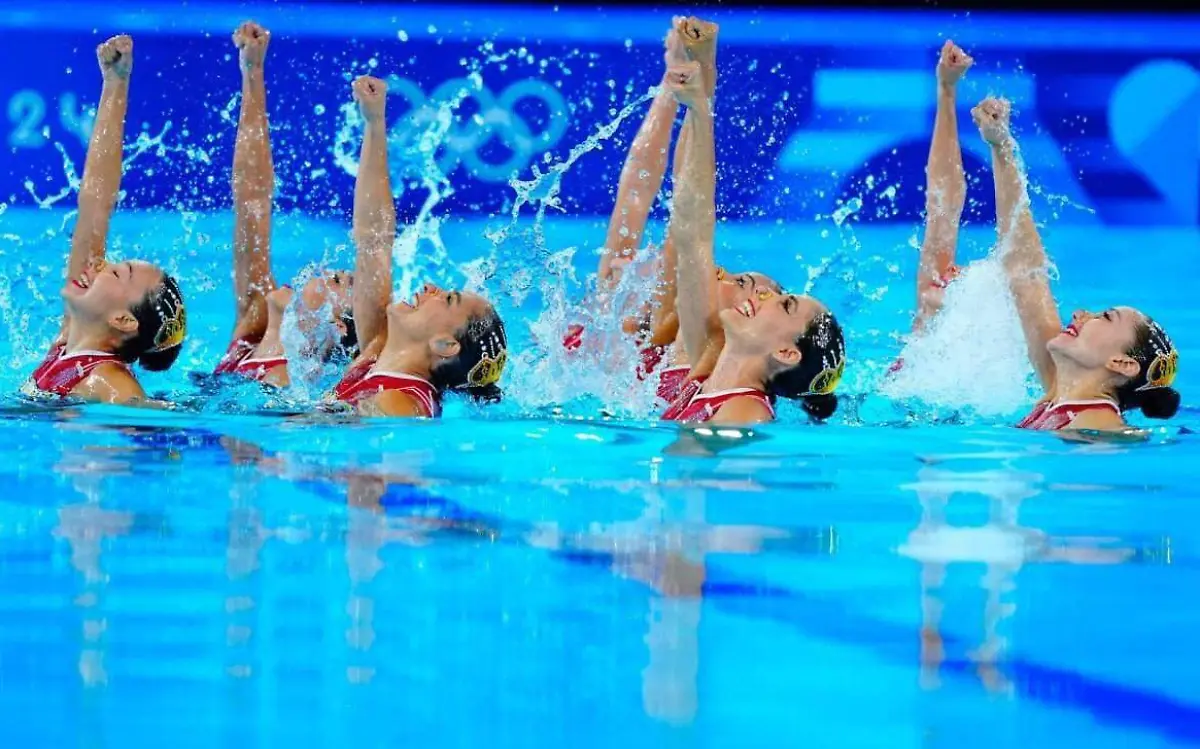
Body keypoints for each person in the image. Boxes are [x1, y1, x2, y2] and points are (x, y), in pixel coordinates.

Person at [565, 16, 782, 405]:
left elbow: (685, 212)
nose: (722, 273)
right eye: (738, 275)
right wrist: (673, 82)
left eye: (742, 285)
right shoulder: (607, 319)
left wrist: (700, 85)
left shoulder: (683, 340)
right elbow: (634, 192)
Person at [971, 95, 1180, 431]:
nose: (1081, 314)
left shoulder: (1102, 430)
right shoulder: (1059, 390)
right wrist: (1000, 146)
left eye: (1105, 317)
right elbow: (1025, 272)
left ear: (1122, 363)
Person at [659, 61, 846, 425]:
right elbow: (692, 230)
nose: (766, 295)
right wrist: (698, 108)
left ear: (785, 352)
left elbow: (695, 478)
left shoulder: (747, 412)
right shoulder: (705, 375)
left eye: (786, 304)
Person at [328, 76, 508, 417]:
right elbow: (373, 239)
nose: (429, 287)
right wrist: (375, 123)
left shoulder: (405, 405)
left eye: (448, 298)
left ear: (445, 345)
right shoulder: (376, 354)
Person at [21, 35, 187, 404]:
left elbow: (145, 436)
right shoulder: (69, 344)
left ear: (124, 321)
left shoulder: (111, 385)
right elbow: (96, 202)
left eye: (115, 273)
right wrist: (115, 82)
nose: (97, 265)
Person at [212, 21, 355, 388]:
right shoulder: (251, 331)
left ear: (336, 327)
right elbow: (251, 200)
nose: (317, 273)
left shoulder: (290, 388)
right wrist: (252, 71)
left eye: (335, 280)